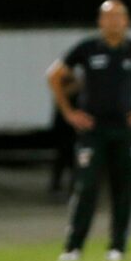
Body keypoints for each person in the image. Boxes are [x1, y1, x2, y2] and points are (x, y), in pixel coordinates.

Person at [48, 0, 131, 261]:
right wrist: (69, 112)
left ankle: (117, 247)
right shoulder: (88, 48)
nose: (113, 21)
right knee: (87, 186)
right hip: (93, 130)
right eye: (108, 16)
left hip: (124, 130)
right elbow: (54, 75)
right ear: (100, 21)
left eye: (118, 16)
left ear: (126, 21)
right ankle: (73, 246)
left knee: (123, 188)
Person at [47, 70, 80, 198]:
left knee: (71, 160)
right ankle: (57, 186)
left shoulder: (76, 91)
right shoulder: (63, 91)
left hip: (71, 128)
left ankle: (72, 186)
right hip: (64, 128)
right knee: (63, 158)